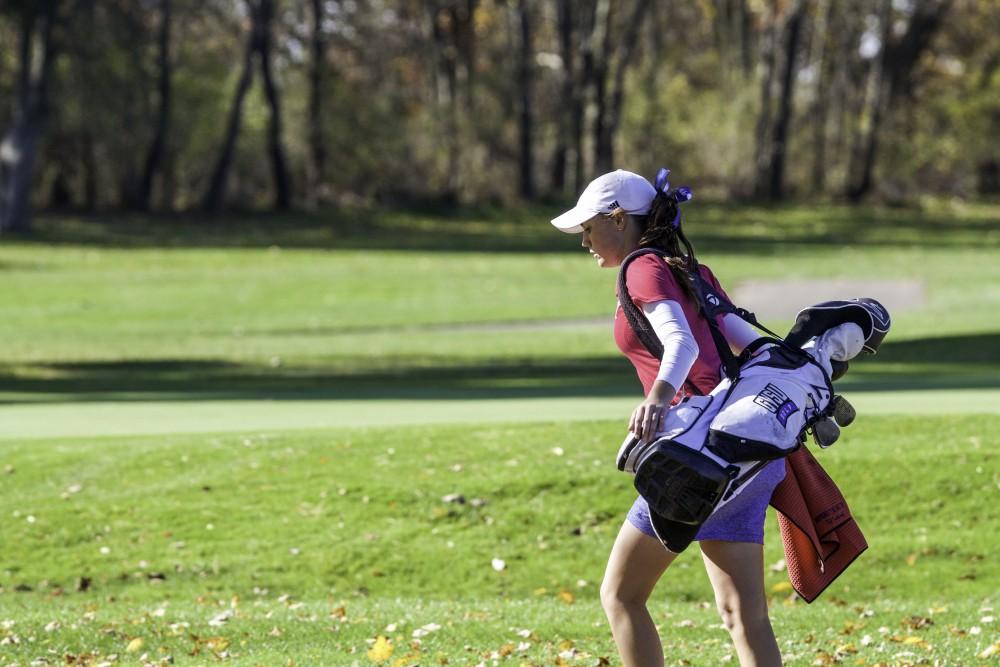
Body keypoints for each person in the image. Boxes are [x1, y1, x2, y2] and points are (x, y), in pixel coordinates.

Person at [550, 169, 785, 667]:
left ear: (619, 219)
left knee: (621, 596)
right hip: (747, 452)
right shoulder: (690, 268)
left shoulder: (641, 269)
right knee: (744, 615)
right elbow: (756, 346)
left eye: (590, 228)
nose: (585, 241)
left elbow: (682, 342)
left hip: (695, 460)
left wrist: (658, 398)